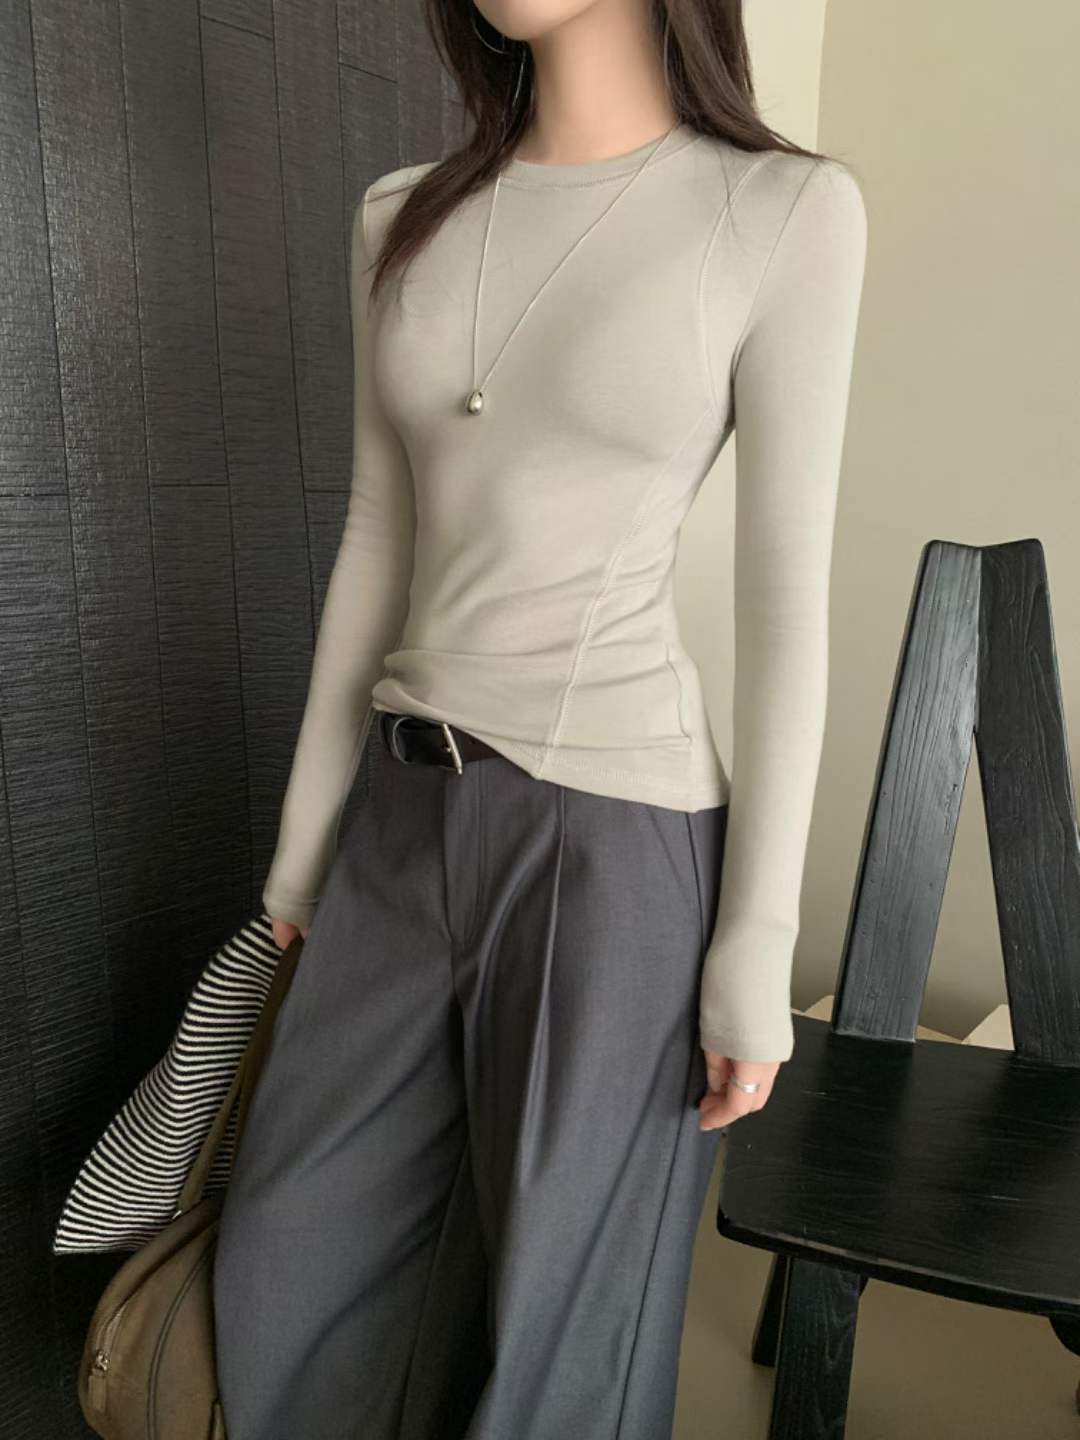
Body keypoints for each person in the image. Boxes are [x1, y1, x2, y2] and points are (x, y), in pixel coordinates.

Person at [211, 0, 868, 1435]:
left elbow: (784, 600)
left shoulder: (782, 211)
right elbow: (378, 539)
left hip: (612, 838)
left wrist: (755, 945)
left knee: (562, 1341)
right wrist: (304, 852)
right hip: (397, 816)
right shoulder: (400, 216)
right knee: (289, 1269)